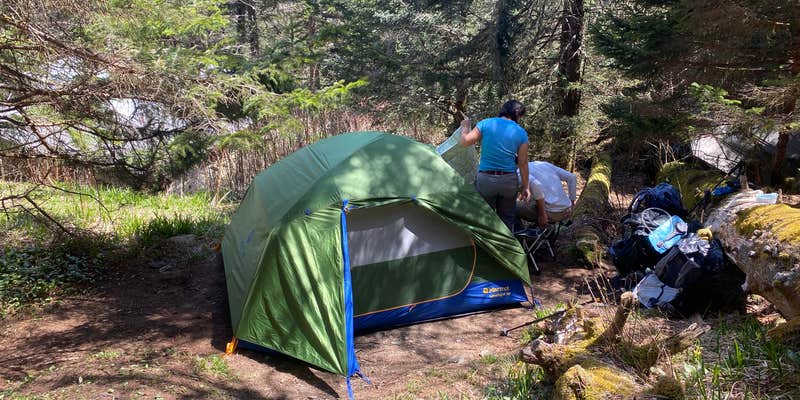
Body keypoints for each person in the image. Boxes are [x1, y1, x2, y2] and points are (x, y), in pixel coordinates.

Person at [459, 100, 531, 230]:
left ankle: (485, 248)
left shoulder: (486, 123)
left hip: (486, 180)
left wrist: (464, 127)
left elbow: (465, 142)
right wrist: (526, 187)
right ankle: (506, 248)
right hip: (508, 181)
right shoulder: (521, 133)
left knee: (485, 218)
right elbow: (523, 163)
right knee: (507, 219)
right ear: (517, 115)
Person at [516, 161, 576, 227]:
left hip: (551, 213)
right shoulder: (543, 164)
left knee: (510, 206)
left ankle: (518, 231)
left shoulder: (519, 172)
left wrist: (542, 216)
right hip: (566, 210)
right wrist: (572, 204)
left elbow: (537, 185)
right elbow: (571, 177)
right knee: (532, 197)